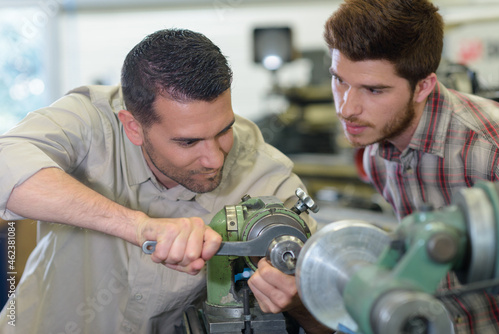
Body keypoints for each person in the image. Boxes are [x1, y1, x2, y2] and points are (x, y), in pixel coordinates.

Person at [0, 28, 330, 334]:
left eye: (224, 131)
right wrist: (140, 227)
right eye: (188, 142)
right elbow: (7, 160)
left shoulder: (264, 175)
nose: (215, 159)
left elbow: (332, 315)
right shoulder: (89, 121)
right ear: (132, 127)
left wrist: (298, 299)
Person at [324, 0, 499, 333]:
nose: (346, 108)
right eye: (340, 81)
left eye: (374, 90)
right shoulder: (377, 154)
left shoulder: (490, 150)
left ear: (423, 86)